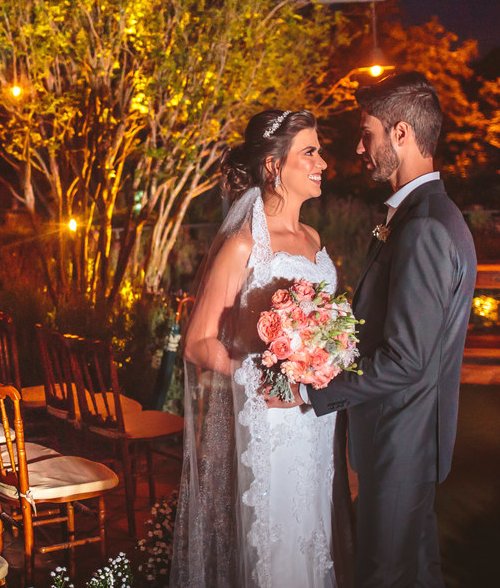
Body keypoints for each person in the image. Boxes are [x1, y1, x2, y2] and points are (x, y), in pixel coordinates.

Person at [277, 71, 477, 588]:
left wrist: (309, 390)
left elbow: (407, 360)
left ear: (401, 133)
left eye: (367, 134)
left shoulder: (425, 226)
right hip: (407, 437)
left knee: (382, 578)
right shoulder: (426, 215)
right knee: (416, 574)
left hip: (401, 439)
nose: (359, 148)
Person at [171, 108, 353, 588]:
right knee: (276, 543)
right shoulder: (243, 245)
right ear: (274, 165)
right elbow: (197, 342)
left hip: (315, 414)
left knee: (312, 530)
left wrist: (331, 351)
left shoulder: (313, 238)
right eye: (309, 152)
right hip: (271, 417)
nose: (322, 163)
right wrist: (259, 377)